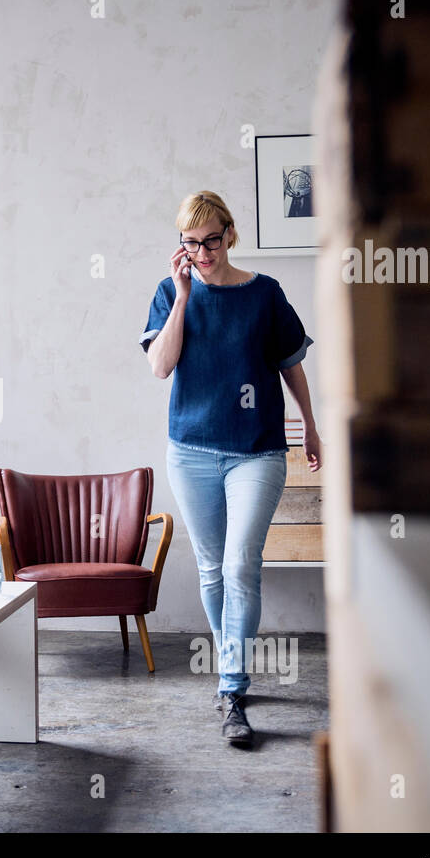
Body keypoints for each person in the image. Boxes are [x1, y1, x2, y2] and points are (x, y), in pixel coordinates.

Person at [139, 190, 321, 748]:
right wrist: (183, 298)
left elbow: (290, 365)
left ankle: (231, 685)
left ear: (229, 234)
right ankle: (231, 678)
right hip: (190, 450)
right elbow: (160, 366)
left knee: (241, 566)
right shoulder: (172, 291)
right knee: (212, 571)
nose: (201, 251)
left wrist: (311, 426)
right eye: (190, 243)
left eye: (211, 240)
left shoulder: (265, 293)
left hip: (258, 451)